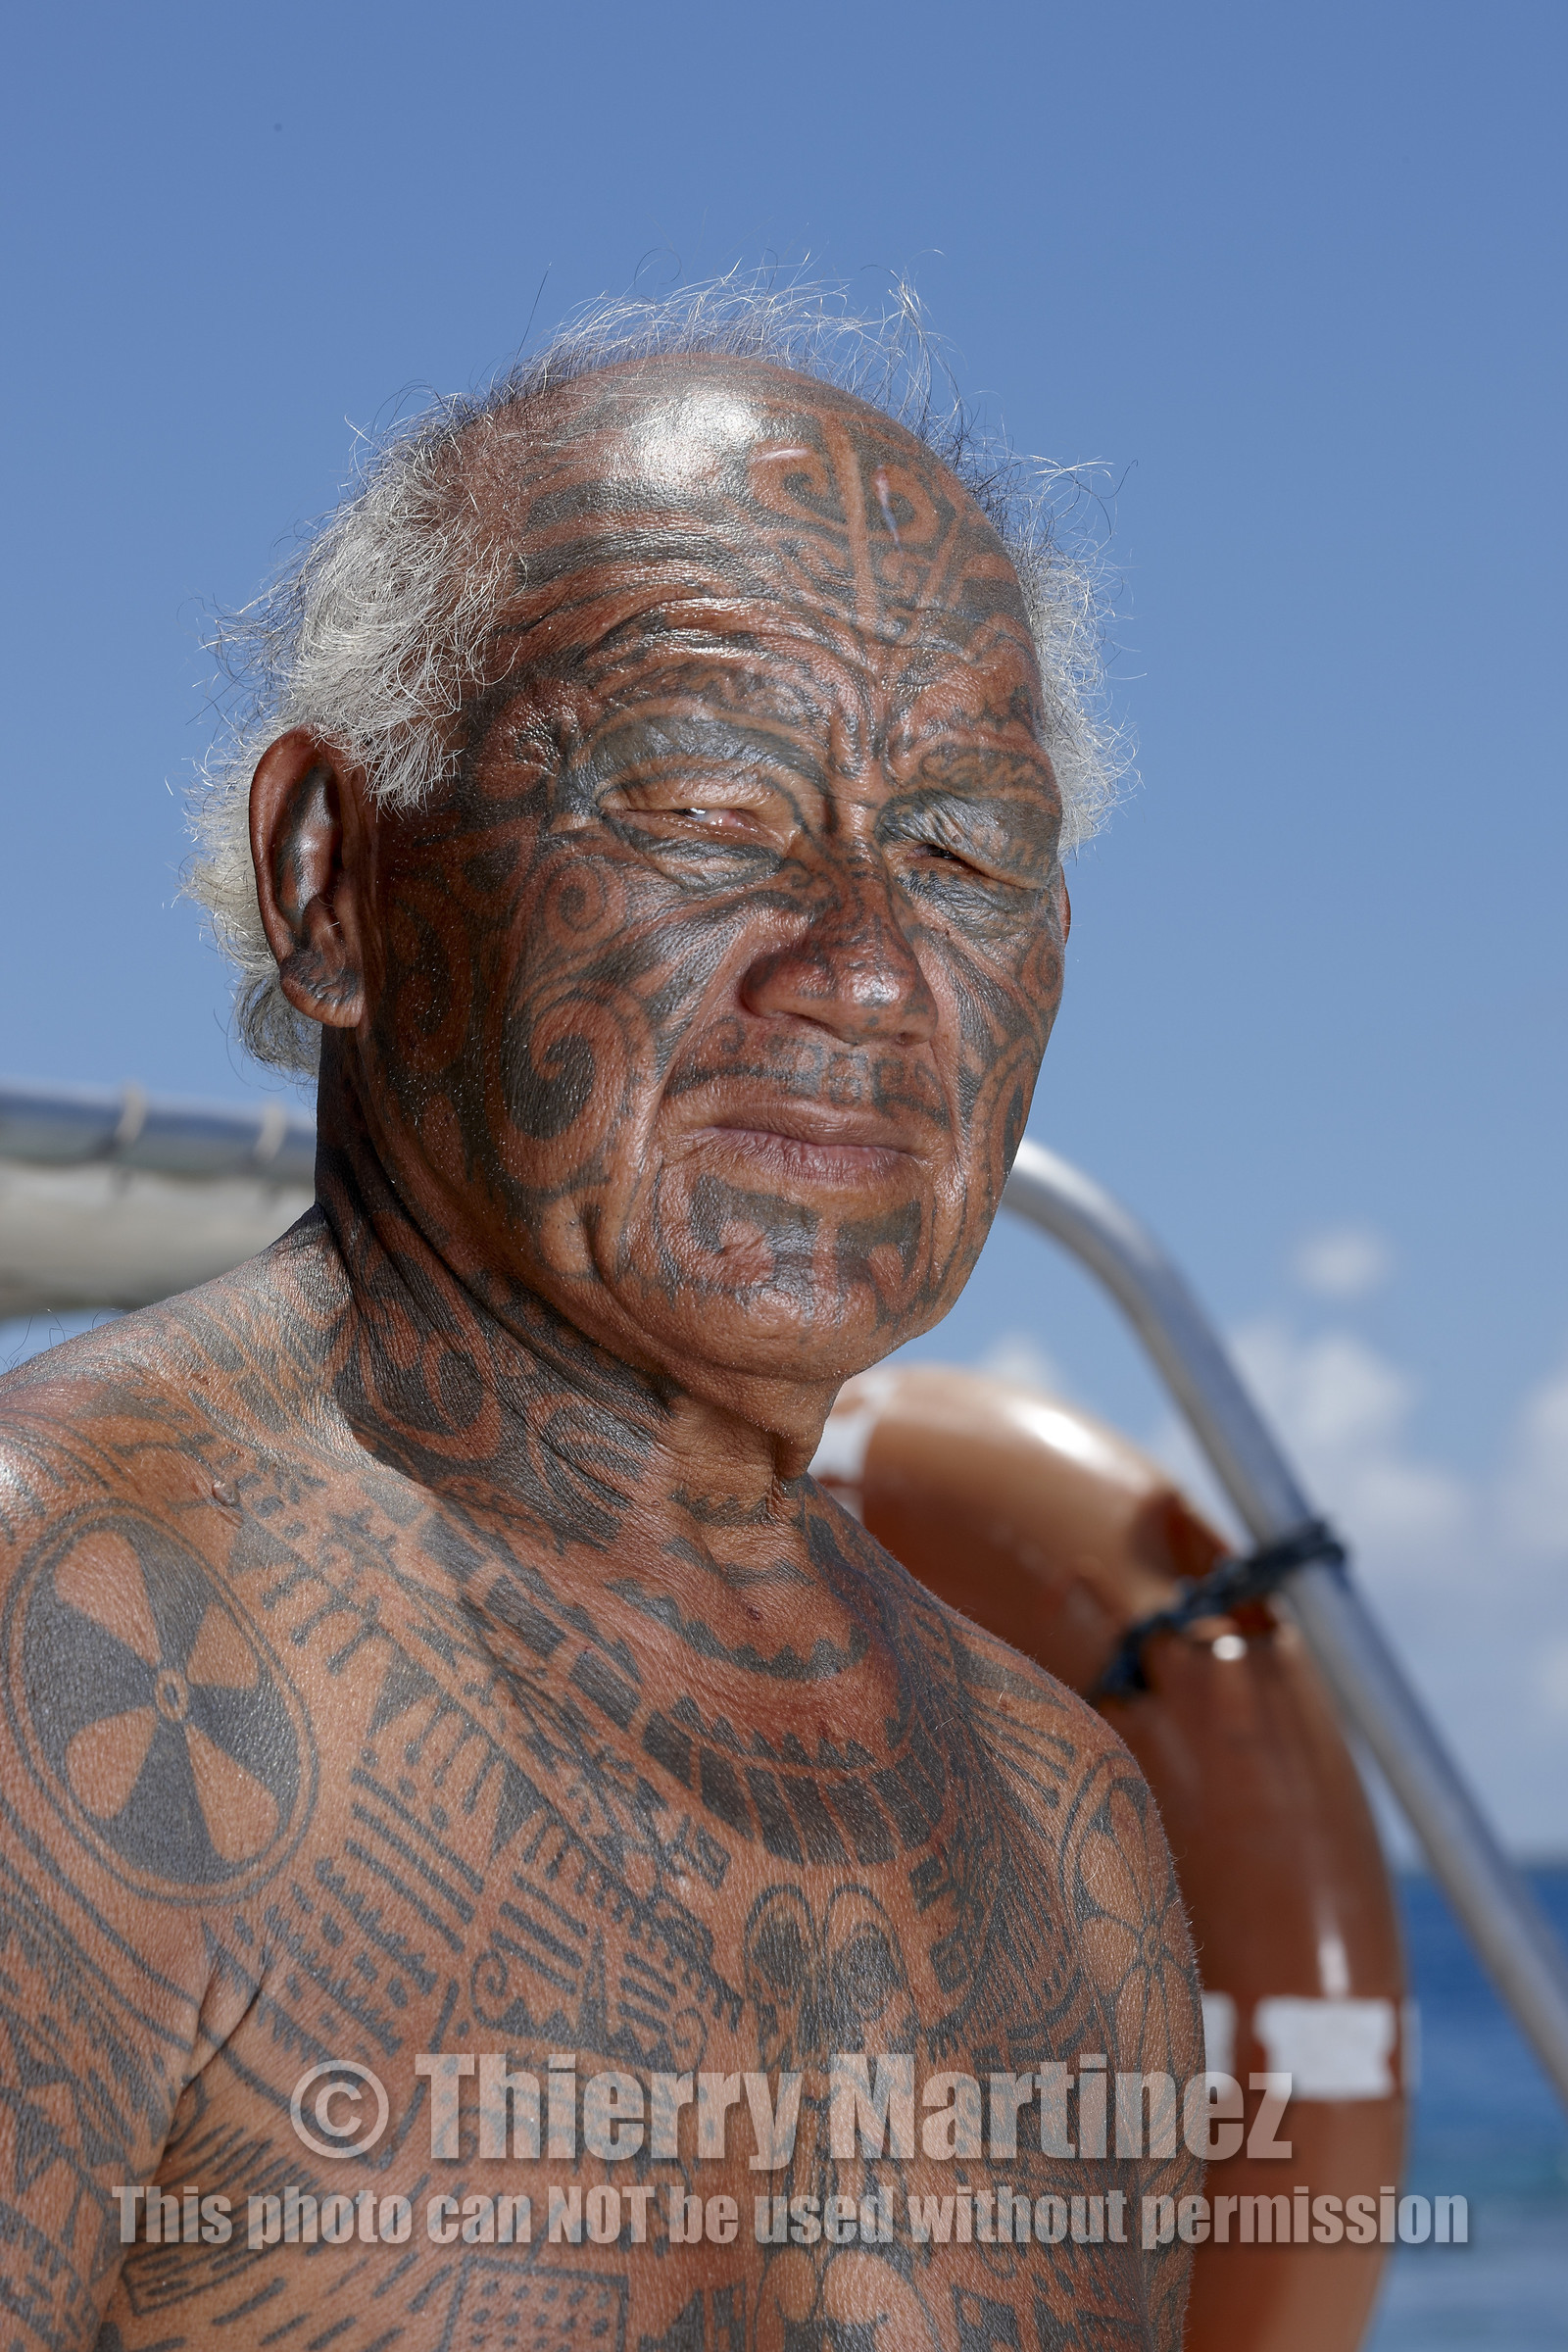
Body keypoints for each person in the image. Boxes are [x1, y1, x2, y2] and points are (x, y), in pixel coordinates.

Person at [0, 286, 1200, 2348]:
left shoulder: (1061, 1821)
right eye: (706, 809)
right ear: (333, 882)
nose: (865, 967)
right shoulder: (68, 1625)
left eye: (962, 852)